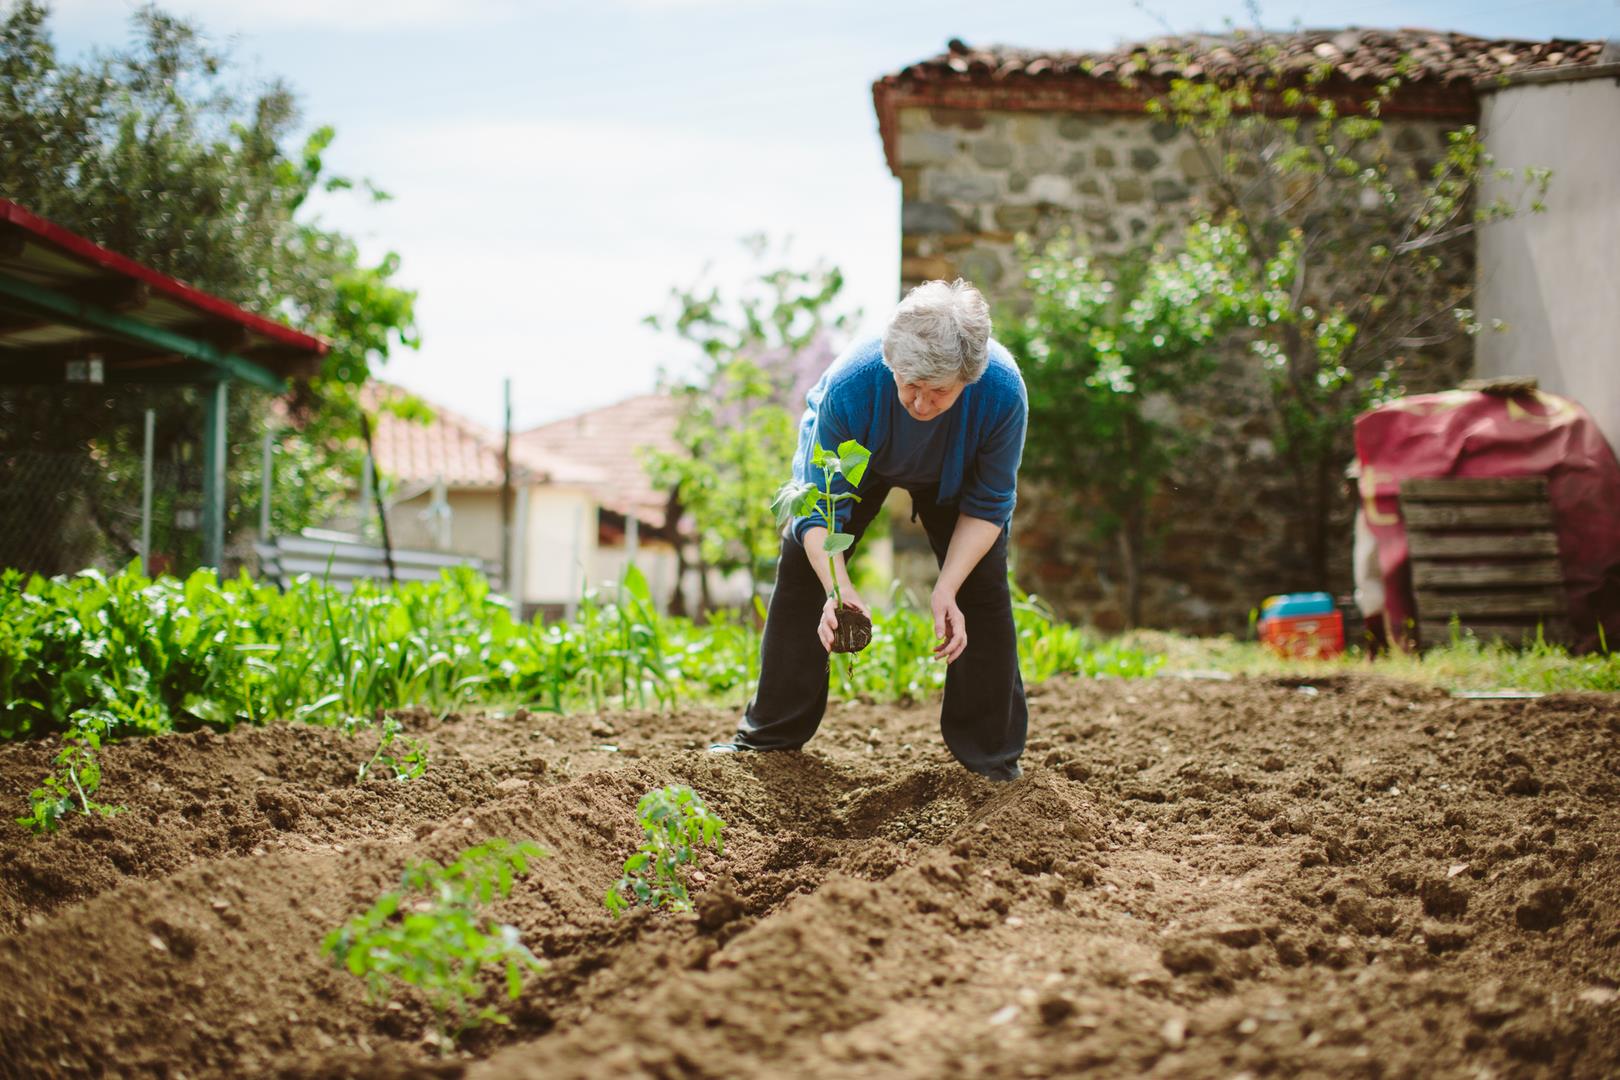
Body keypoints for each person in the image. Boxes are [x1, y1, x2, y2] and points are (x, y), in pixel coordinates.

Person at [710, 279, 1029, 781]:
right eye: (909, 386)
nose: (920, 404)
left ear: (968, 379)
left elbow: (990, 504)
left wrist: (947, 587)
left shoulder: (1002, 393)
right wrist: (839, 589)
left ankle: (990, 760)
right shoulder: (853, 384)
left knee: (980, 592)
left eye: (939, 392)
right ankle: (769, 739)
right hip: (854, 466)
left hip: (955, 471)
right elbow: (815, 510)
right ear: (890, 364)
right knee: (804, 575)